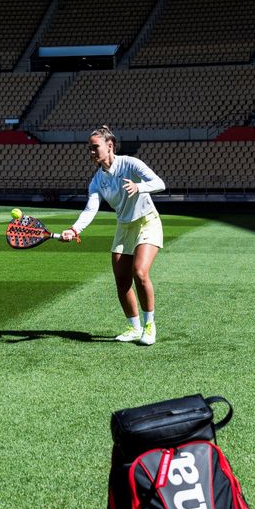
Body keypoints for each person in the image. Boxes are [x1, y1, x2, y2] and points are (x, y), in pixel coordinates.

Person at [59, 125, 167, 345]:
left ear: (110, 146)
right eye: (89, 148)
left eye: (95, 147)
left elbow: (160, 184)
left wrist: (139, 187)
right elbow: (91, 209)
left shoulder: (131, 163)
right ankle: (134, 327)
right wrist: (74, 229)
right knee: (121, 280)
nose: (91, 151)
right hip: (124, 227)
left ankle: (149, 325)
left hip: (147, 221)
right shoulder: (97, 181)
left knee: (140, 271)